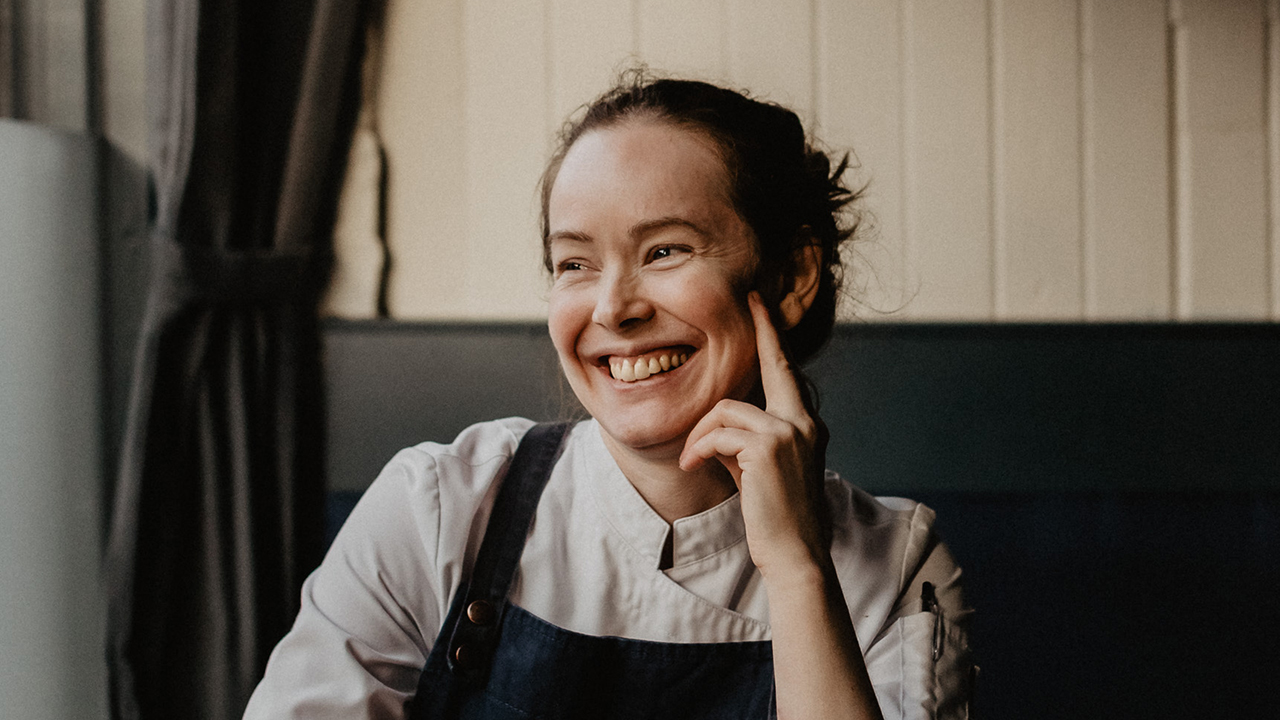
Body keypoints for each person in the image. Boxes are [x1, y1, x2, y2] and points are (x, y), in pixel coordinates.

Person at [244, 72, 973, 719]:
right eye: (575, 263)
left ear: (792, 277)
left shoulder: (898, 568)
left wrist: (797, 567)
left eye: (666, 250)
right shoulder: (437, 509)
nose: (613, 308)